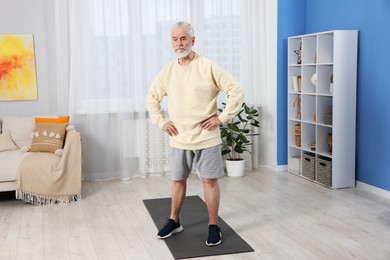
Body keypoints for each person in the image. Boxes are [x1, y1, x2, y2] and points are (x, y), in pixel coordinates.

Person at [146, 21, 244, 246]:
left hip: (206, 137)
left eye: (183, 38)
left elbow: (236, 90)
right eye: (175, 39)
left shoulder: (207, 65)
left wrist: (221, 118)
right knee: (177, 180)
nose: (179, 43)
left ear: (193, 40)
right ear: (171, 42)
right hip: (180, 137)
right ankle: (174, 221)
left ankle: (213, 225)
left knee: (209, 181)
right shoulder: (168, 70)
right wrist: (161, 122)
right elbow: (152, 97)